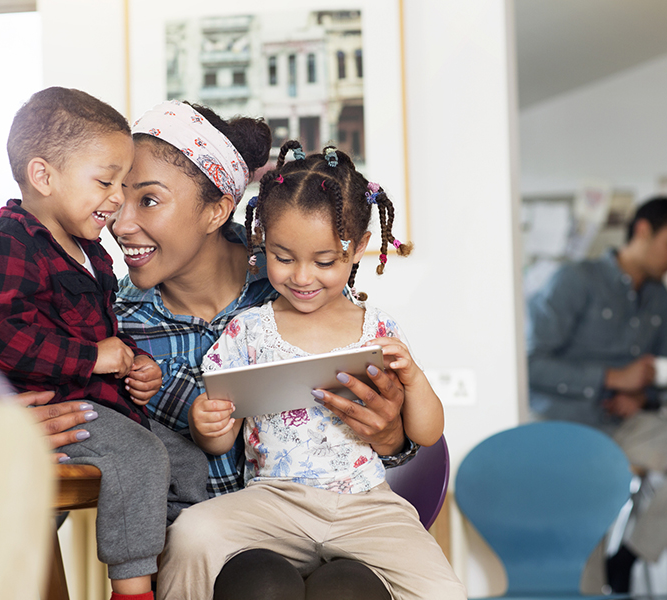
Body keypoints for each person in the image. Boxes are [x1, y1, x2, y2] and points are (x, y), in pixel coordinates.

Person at [110, 101, 420, 599]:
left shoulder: (301, 287)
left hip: (340, 537)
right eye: (114, 196)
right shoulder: (112, 328)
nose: (119, 223)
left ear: (217, 209)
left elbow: (386, 436)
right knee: (261, 585)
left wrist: (392, 432)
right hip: (214, 562)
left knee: (348, 588)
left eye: (147, 200)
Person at [159, 140, 466, 600]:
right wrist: (208, 423)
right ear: (261, 241)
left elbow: (425, 433)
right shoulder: (249, 332)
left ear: (359, 247)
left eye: (324, 262)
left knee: (444, 591)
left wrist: (416, 380)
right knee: (191, 535)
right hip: (274, 501)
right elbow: (220, 437)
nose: (302, 277)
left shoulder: (377, 328)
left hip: (367, 504)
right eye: (283, 258)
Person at [0, 87, 208, 600]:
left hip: (100, 406)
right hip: (50, 409)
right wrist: (93, 358)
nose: (117, 199)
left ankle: (173, 571)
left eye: (123, 183)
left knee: (188, 463)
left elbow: (100, 332)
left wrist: (133, 365)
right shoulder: (12, 241)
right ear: (44, 176)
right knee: (139, 458)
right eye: (106, 181)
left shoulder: (92, 254)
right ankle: (132, 590)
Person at [526, 195, 667, 593]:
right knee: (588, 522)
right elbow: (531, 364)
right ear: (642, 231)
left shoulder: (659, 297)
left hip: (627, 423)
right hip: (572, 428)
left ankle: (630, 556)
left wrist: (642, 397)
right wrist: (610, 377)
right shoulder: (576, 279)